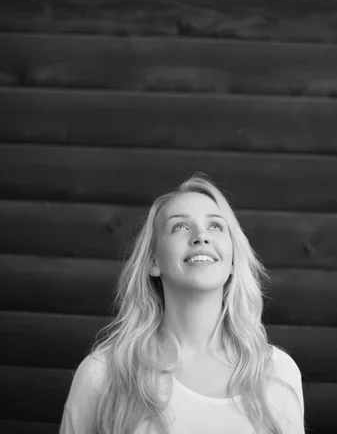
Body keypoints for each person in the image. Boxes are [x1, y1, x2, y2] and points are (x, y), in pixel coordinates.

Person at [59, 173, 305, 434]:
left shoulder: (279, 372)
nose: (201, 237)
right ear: (153, 261)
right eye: (180, 227)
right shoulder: (102, 373)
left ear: (233, 259)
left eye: (216, 226)